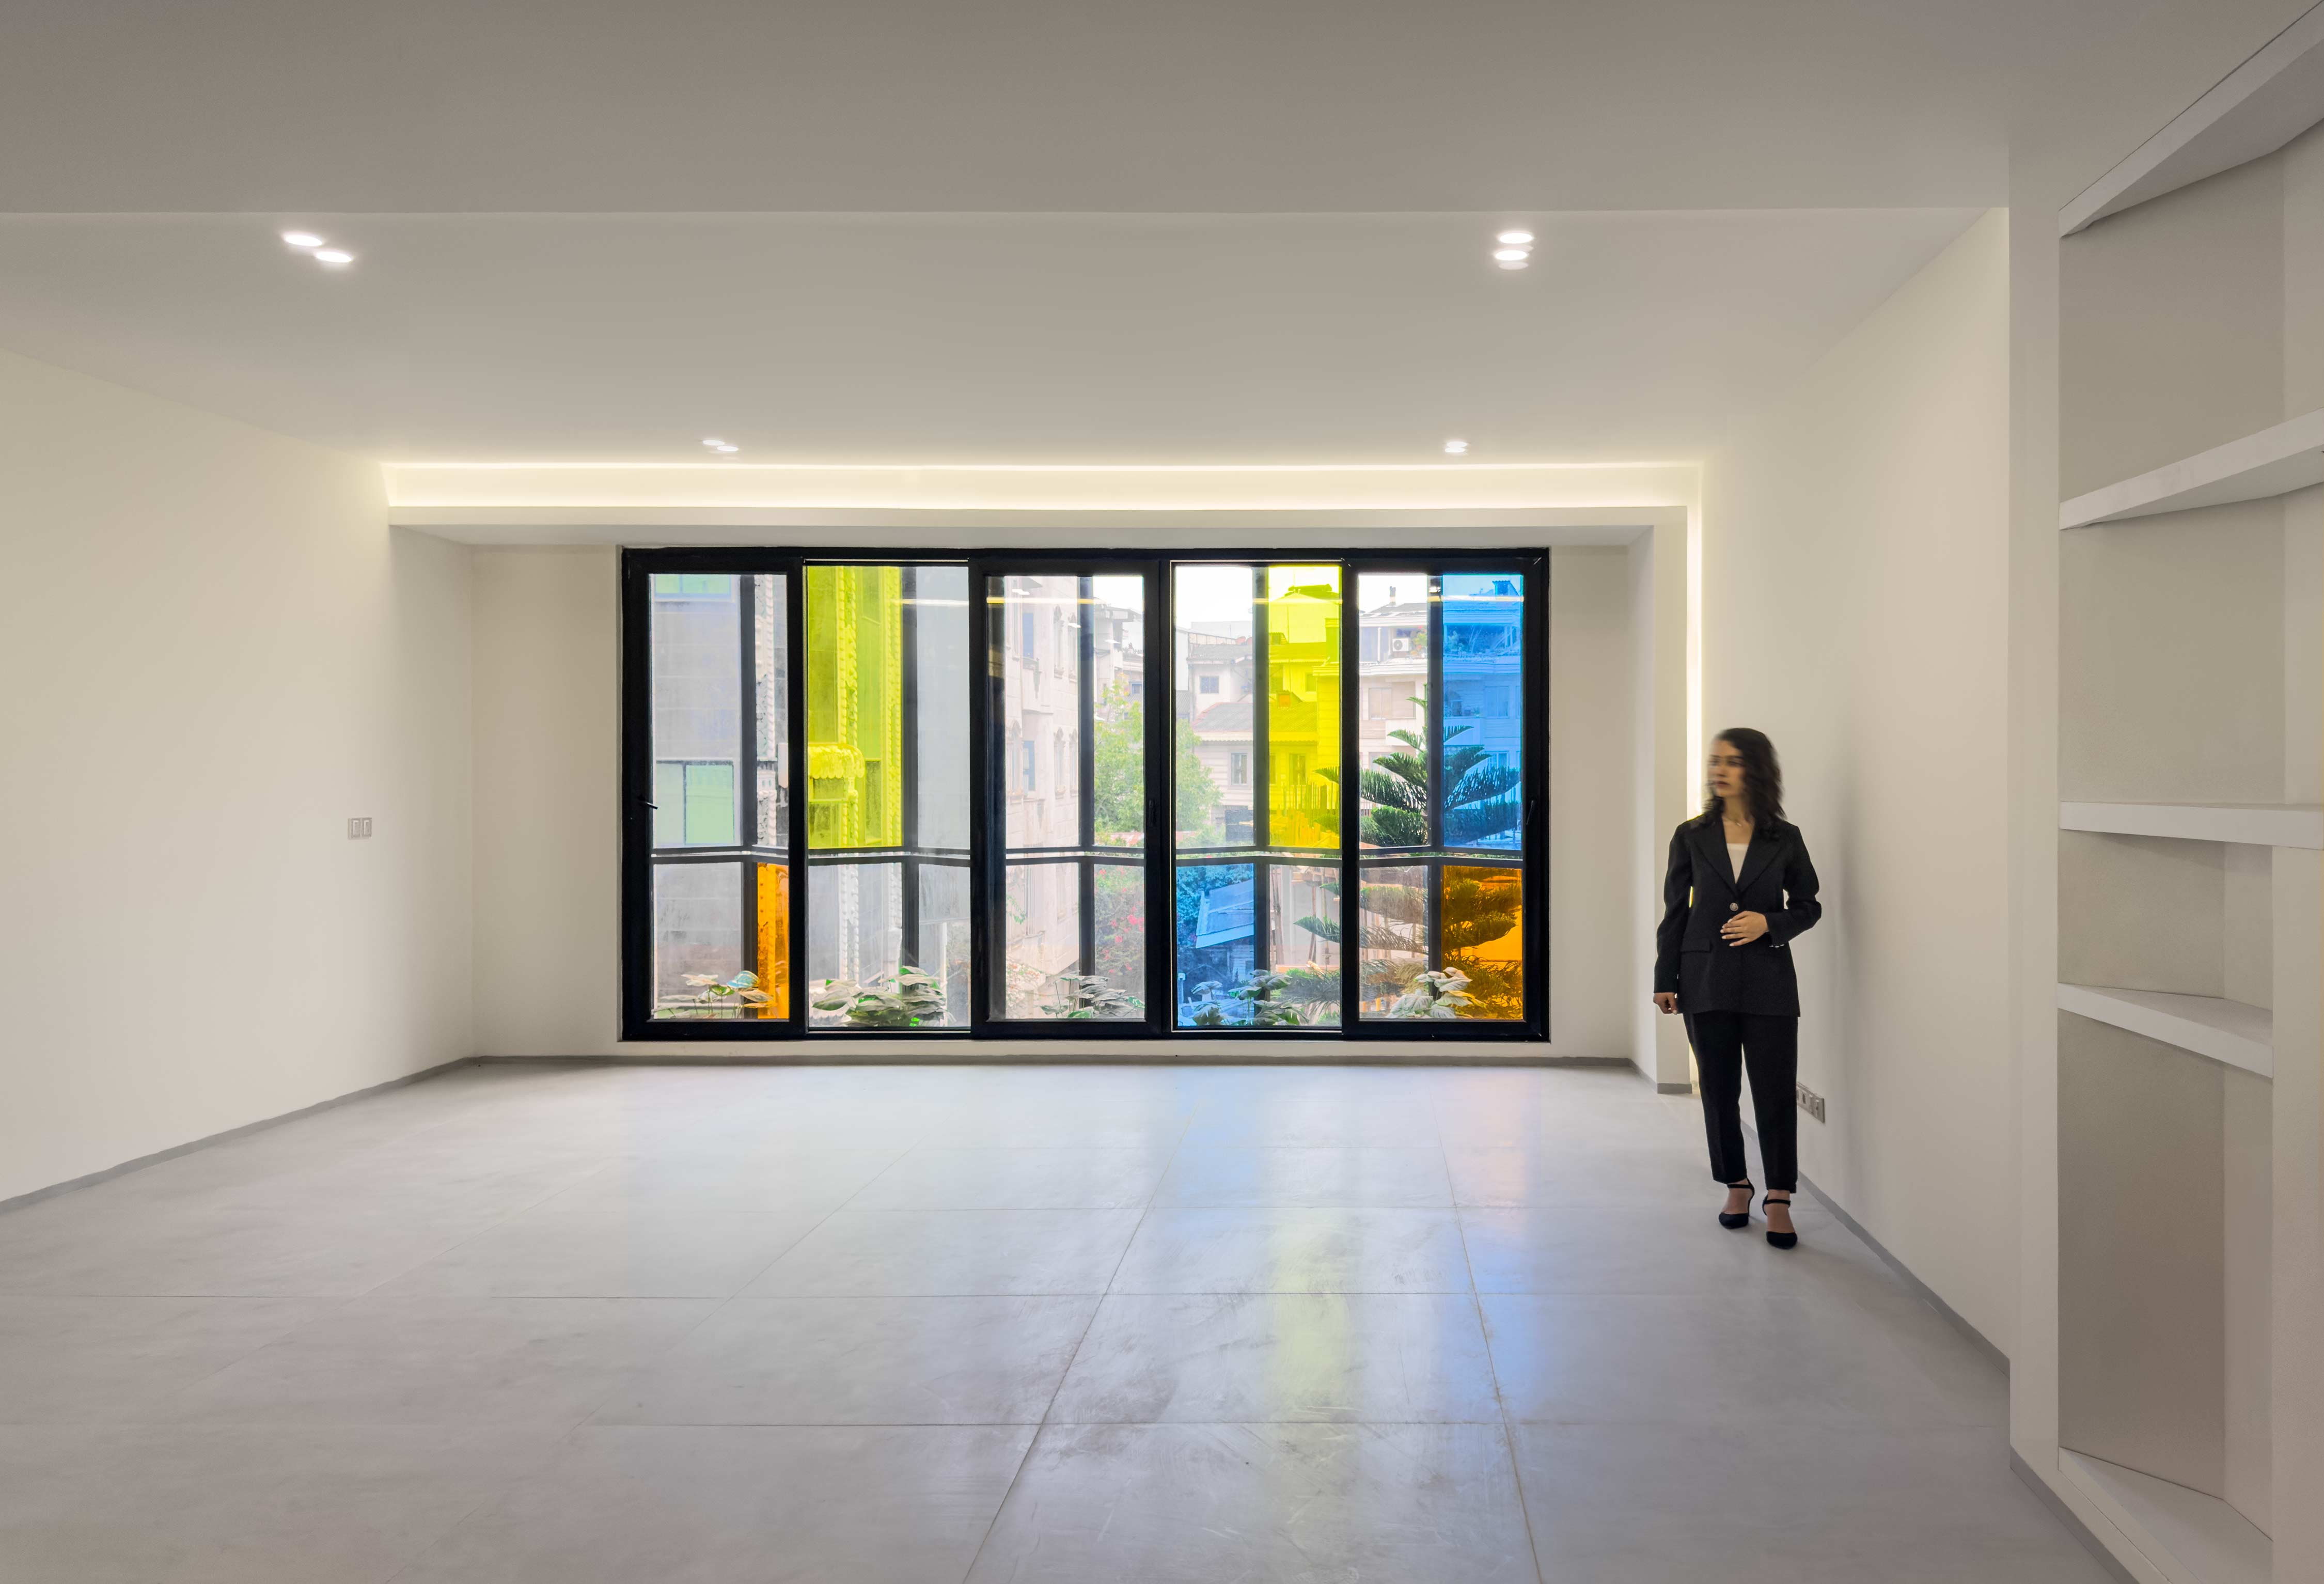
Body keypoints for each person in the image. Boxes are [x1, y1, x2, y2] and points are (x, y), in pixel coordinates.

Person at [1653, 729, 1821, 1248]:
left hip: (1770, 980)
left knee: (1775, 1092)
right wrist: (1664, 977)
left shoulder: (1784, 837)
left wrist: (1769, 924)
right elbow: (1675, 911)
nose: (1719, 770)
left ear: (1756, 769)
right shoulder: (1691, 835)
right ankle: (1737, 1184)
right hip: (1704, 978)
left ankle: (1779, 1196)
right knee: (1719, 1090)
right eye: (1715, 761)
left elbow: (1808, 906)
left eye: (1732, 761)